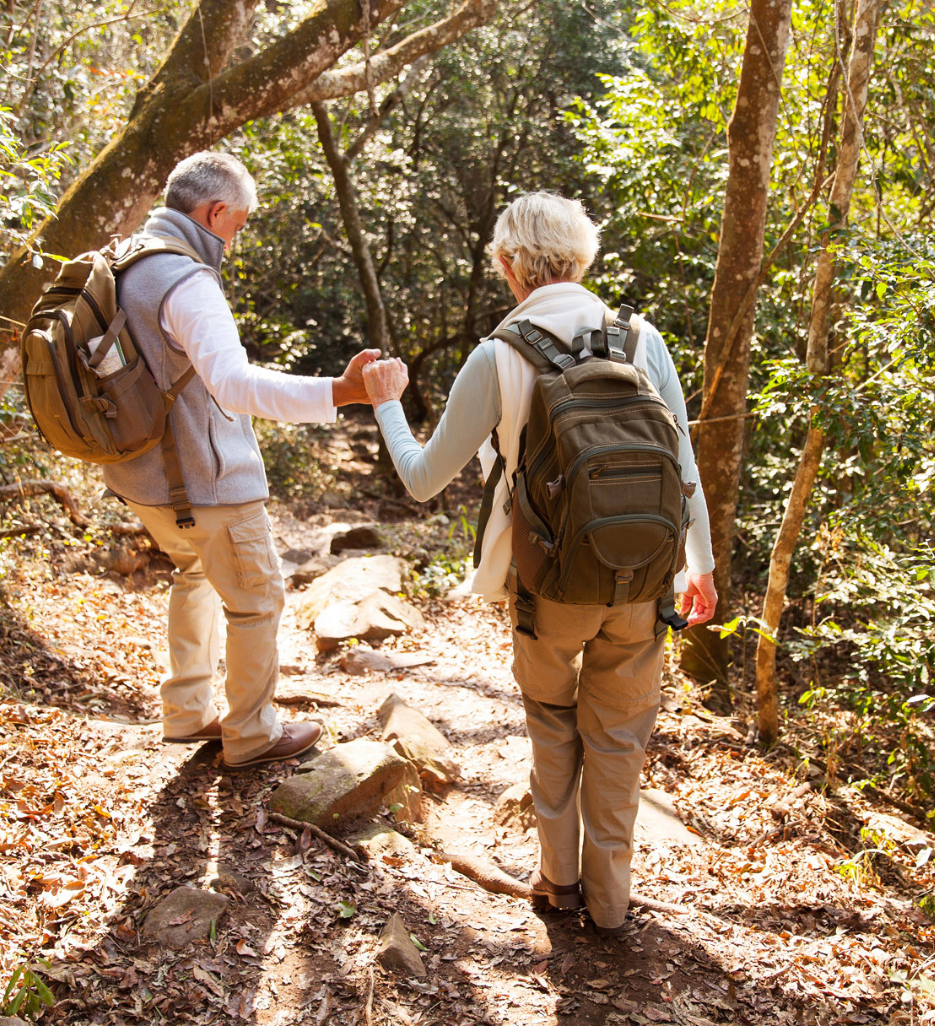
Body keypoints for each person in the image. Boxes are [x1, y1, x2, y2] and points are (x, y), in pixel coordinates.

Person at [361, 192, 717, 936]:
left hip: (548, 586)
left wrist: (386, 402)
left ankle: (558, 883)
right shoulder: (641, 340)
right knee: (619, 739)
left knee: (553, 725)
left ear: (507, 264)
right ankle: (612, 904)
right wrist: (700, 566)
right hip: (644, 581)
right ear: (583, 258)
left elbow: (423, 479)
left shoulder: (500, 355)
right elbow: (682, 461)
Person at [103, 151, 379, 768]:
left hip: (141, 482)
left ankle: (187, 713)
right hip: (207, 483)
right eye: (239, 223)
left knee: (195, 575)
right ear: (215, 210)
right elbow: (234, 384)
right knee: (258, 599)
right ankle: (252, 734)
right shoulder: (186, 280)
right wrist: (340, 390)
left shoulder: (123, 264)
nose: (236, 237)